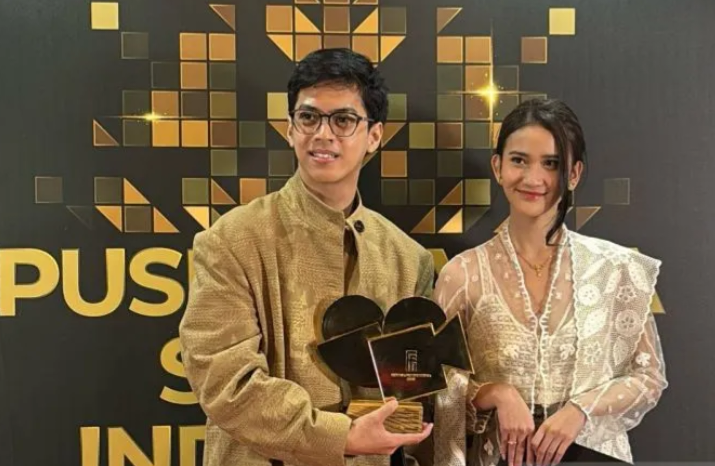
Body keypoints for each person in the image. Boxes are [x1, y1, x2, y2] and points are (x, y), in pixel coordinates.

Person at [178, 48, 434, 466]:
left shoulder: (408, 258)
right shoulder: (231, 240)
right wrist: (341, 436)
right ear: (290, 129)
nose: (323, 134)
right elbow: (225, 383)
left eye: (343, 120)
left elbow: (414, 389)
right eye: (309, 117)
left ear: (374, 135)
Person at [432, 98, 667, 466]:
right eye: (519, 160)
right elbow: (436, 382)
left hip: (594, 456)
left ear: (574, 174)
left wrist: (580, 410)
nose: (533, 178)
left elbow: (648, 377)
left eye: (551, 164)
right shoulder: (461, 274)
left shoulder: (615, 268)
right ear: (497, 167)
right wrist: (496, 393)